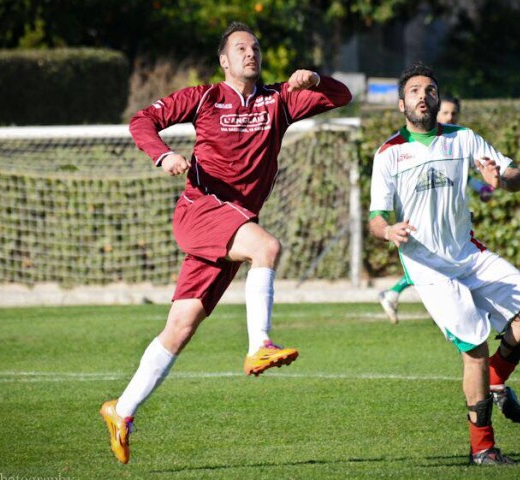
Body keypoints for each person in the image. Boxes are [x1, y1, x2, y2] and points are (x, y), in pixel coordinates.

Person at [99, 22, 352, 464]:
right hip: (201, 212)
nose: (250, 53)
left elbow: (341, 96)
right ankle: (259, 345)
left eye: (255, 47)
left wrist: (315, 79)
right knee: (267, 248)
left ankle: (120, 411)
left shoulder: (279, 99)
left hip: (234, 223)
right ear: (224, 60)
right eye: (240, 48)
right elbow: (143, 120)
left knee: (180, 327)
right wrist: (164, 154)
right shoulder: (204, 97)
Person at [368, 62, 520, 465]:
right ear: (401, 104)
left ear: (437, 100)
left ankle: (497, 380)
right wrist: (387, 232)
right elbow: (376, 217)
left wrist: (501, 179)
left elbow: (519, 176)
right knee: (475, 347)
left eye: (430, 90)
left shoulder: (463, 139)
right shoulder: (388, 154)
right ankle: (482, 448)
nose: (423, 95)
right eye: (414, 90)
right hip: (427, 266)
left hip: (468, 254)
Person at [377, 95, 495, 323]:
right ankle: (397, 294)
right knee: (433, 262)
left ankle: (394, 293)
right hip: (424, 220)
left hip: (454, 220)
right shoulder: (403, 149)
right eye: (445, 112)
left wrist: (483, 186)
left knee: (447, 261)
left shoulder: (458, 140)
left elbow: (467, 178)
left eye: (454, 113)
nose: (450, 117)